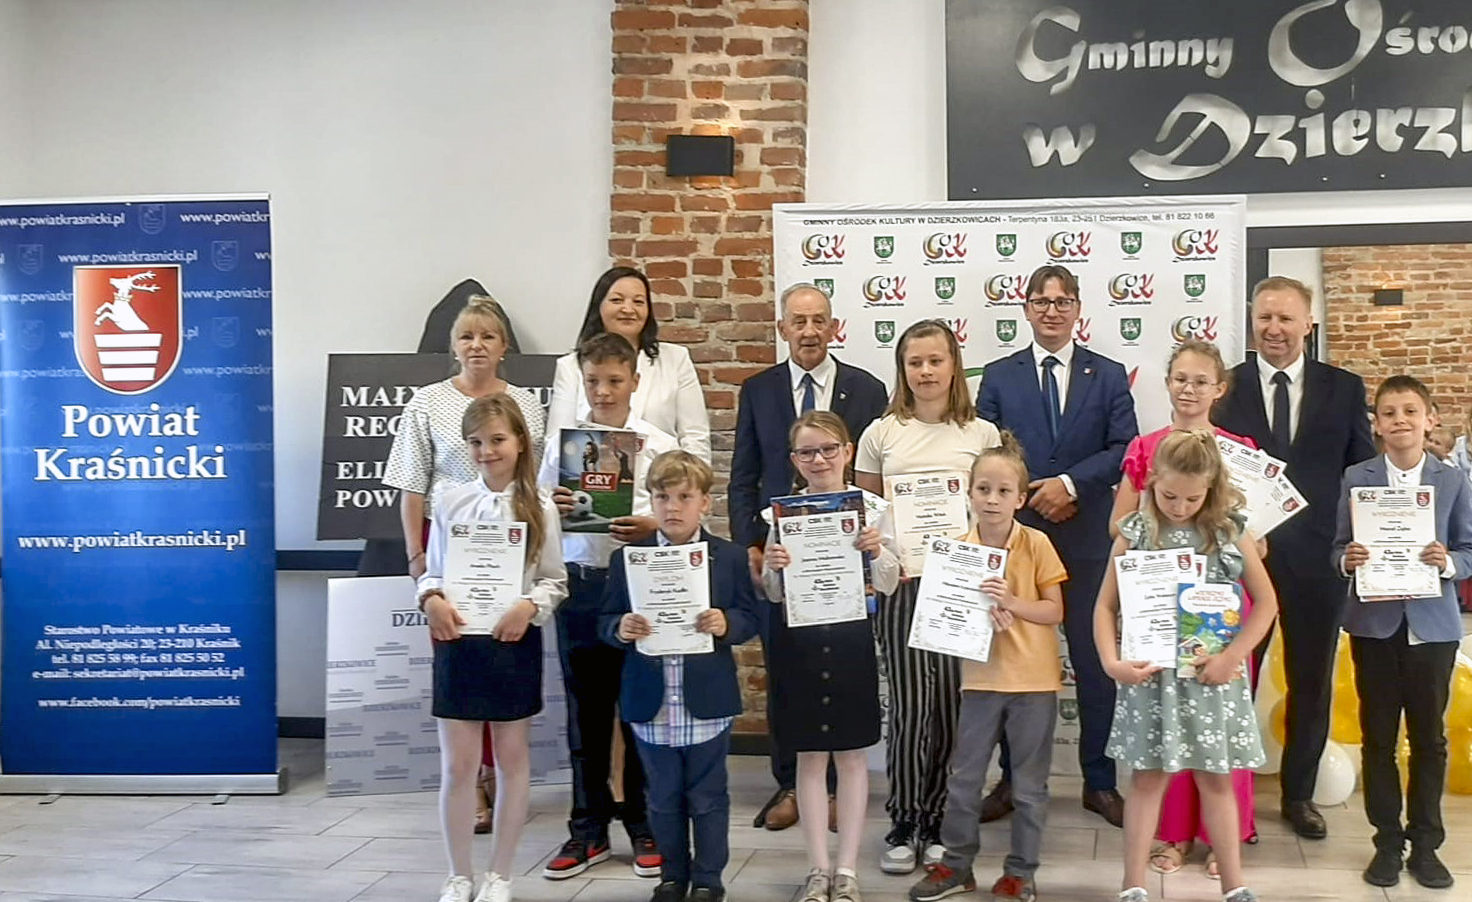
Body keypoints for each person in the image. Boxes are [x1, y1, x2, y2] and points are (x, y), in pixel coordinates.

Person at [976, 264, 1138, 828]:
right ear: (1026, 309)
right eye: (1041, 301)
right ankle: (1011, 780)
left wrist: (1068, 485)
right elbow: (989, 451)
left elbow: (1124, 448)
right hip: (1017, 536)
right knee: (1010, 660)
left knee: (1094, 664)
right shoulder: (999, 376)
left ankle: (1100, 781)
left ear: (1077, 309)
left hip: (1087, 534)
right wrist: (1033, 494)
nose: (1051, 310)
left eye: (1062, 301)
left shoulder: (1108, 374)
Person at [1214, 275, 1375, 840]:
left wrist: (1361, 542)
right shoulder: (1226, 387)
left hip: (1319, 559)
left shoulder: (1344, 388)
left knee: (1312, 678)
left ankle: (1299, 796)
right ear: (1252, 323)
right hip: (1242, 558)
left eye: (1285, 318)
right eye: (1264, 317)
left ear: (1308, 324)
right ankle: (1228, 800)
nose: (1274, 328)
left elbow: (1361, 473)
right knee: (1233, 676)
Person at [728, 282, 888, 831]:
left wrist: (875, 547)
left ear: (834, 327)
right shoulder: (759, 390)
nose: (810, 330)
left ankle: (840, 791)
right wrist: (752, 545)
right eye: (798, 321)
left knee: (842, 671)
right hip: (785, 560)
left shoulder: (867, 389)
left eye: (819, 320)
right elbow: (743, 477)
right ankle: (789, 785)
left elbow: (872, 477)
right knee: (786, 671)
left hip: (846, 564)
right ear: (783, 329)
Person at [385, 295, 547, 832]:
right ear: (453, 346)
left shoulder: (526, 403)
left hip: (513, 543)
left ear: (504, 346)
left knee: (504, 654)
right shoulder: (426, 402)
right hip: (447, 545)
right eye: (466, 336)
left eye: (487, 336)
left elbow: (538, 478)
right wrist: (416, 557)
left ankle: (502, 772)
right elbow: (412, 485)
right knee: (459, 659)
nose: (477, 346)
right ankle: (471, 779)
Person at [1094, 430, 1278, 902]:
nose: (1179, 507)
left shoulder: (1229, 532)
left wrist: (1232, 656)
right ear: (1152, 481)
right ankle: (1132, 884)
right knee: (1146, 779)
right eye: (1169, 496)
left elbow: (1267, 604)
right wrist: (1112, 662)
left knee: (1216, 779)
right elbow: (1105, 606)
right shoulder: (1135, 531)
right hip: (1151, 678)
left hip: (1212, 678)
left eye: (1192, 499)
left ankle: (1234, 885)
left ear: (1211, 488)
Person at [854, 319, 1002, 874]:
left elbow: (995, 514)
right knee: (912, 708)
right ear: (902, 369)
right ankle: (904, 819)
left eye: (935, 360)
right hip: (904, 586)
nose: (925, 371)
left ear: (953, 365)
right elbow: (867, 515)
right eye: (914, 362)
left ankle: (940, 820)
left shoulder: (982, 434)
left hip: (962, 587)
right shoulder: (880, 433)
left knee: (953, 708)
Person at [1109, 340, 1261, 876]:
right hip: (1157, 611)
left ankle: (1225, 842)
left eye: (1200, 380)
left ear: (1219, 388)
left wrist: (1246, 543)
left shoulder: (1241, 451)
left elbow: (1255, 536)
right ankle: (1172, 837)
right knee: (1164, 736)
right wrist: (1151, 541)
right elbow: (1118, 527)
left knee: (1218, 734)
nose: (1189, 389)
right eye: (1180, 378)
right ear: (1168, 382)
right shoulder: (1144, 448)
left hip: (1219, 611)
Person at [536, 333, 678, 881]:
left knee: (639, 710)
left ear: (634, 382)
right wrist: (554, 507)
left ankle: (644, 824)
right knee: (585, 715)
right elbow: (537, 514)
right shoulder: (562, 448)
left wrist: (650, 525)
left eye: (615, 380)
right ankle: (588, 829)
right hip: (580, 588)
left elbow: (679, 519)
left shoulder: (658, 445)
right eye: (593, 381)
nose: (603, 391)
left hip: (638, 587)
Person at [417, 395, 567, 902]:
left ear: (520, 441)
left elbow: (554, 580)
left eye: (497, 439)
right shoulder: (450, 501)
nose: (487, 451)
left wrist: (529, 606)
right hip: (459, 642)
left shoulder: (541, 506)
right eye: (476, 442)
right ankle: (458, 875)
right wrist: (432, 599)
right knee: (458, 766)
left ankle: (500, 875)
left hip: (513, 641)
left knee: (511, 760)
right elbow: (433, 571)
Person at [907, 433, 1067, 902]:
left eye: (1003, 491)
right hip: (979, 682)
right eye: (983, 489)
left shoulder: (1037, 543)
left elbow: (1054, 610)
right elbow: (944, 620)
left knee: (1029, 787)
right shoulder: (955, 550)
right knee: (964, 780)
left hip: (1034, 683)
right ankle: (957, 866)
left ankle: (1021, 872)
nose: (992, 499)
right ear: (968, 492)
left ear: (1020, 499)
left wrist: (1012, 603)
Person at [599, 451, 760, 902]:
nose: (672, 507)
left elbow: (749, 617)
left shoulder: (728, 557)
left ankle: (708, 879)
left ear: (704, 502)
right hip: (650, 700)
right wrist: (620, 628)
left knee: (708, 796)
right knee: (662, 796)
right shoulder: (628, 560)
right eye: (662, 497)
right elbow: (604, 619)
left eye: (684, 497)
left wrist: (726, 623)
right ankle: (672, 876)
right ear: (650, 500)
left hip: (706, 700)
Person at [1334, 375, 1472, 890]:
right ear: (1376, 424)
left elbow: (1469, 550)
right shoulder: (1357, 478)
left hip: (1432, 629)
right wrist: (1347, 560)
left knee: (1429, 739)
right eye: (1389, 412)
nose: (1400, 421)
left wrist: (1447, 563)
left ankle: (1427, 844)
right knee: (1378, 738)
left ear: (1430, 418)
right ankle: (1387, 842)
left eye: (1410, 411)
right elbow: (1337, 546)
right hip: (1374, 625)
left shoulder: (1453, 480)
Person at [761, 411, 901, 902]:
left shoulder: (873, 510)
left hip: (850, 641)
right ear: (794, 460)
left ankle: (847, 871)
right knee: (810, 756)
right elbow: (774, 593)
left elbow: (889, 582)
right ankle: (818, 869)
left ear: (847, 451)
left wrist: (877, 551)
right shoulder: (781, 515)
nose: (818, 460)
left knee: (852, 754)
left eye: (827, 449)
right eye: (807, 452)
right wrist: (773, 567)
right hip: (800, 644)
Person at [547, 266, 711, 462]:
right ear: (599, 307)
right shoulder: (570, 366)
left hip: (663, 475)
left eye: (638, 302)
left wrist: (692, 478)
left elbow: (695, 437)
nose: (628, 309)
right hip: (588, 476)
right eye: (617, 300)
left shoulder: (676, 359)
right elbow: (557, 440)